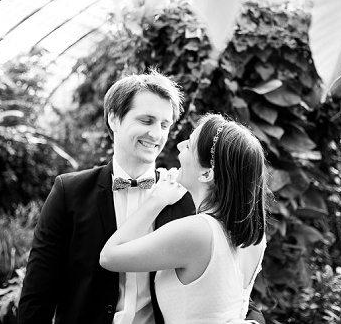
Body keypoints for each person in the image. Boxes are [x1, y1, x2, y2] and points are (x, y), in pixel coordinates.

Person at [18, 71, 196, 324]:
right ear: (113, 119)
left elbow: (222, 275)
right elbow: (38, 291)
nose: (157, 135)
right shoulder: (69, 192)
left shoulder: (183, 196)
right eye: (146, 120)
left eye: (164, 125)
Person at [99, 113, 268, 323]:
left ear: (207, 174)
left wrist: (156, 200)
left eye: (189, 146)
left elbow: (108, 257)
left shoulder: (196, 231)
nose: (179, 146)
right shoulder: (255, 238)